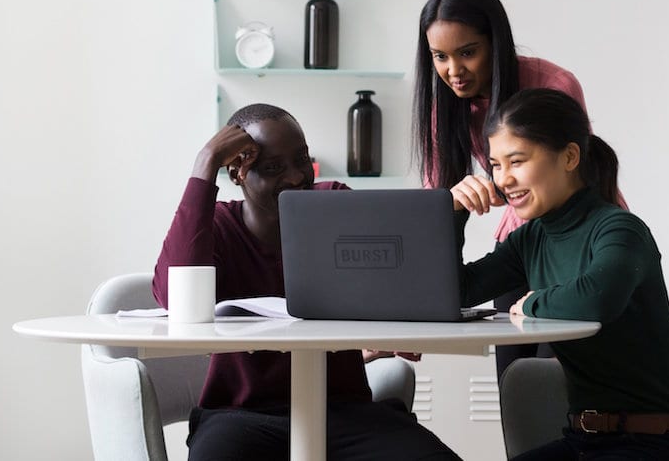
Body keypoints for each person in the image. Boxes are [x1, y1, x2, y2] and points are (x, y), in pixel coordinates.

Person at [153, 103, 461, 461]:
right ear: (237, 172)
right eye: (272, 168)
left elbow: (389, 283)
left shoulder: (334, 204)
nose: (297, 176)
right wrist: (205, 163)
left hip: (344, 411)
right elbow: (173, 298)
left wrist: (398, 326)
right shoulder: (218, 227)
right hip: (240, 417)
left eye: (302, 159)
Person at [454, 89, 669, 460]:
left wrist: (533, 302)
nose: (503, 179)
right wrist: (453, 213)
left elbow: (596, 298)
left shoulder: (619, 229)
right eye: (495, 165)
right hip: (585, 442)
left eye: (517, 161)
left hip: (660, 443)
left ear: (570, 156)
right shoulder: (531, 238)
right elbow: (456, 291)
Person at [412, 0, 624, 380]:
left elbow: (566, 180)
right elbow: (432, 207)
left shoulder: (553, 84)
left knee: (555, 381)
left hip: (578, 244)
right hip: (524, 246)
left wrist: (504, 200)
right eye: (439, 57)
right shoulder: (445, 108)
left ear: (495, 42)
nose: (453, 71)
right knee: (514, 383)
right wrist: (454, 202)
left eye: (468, 53)